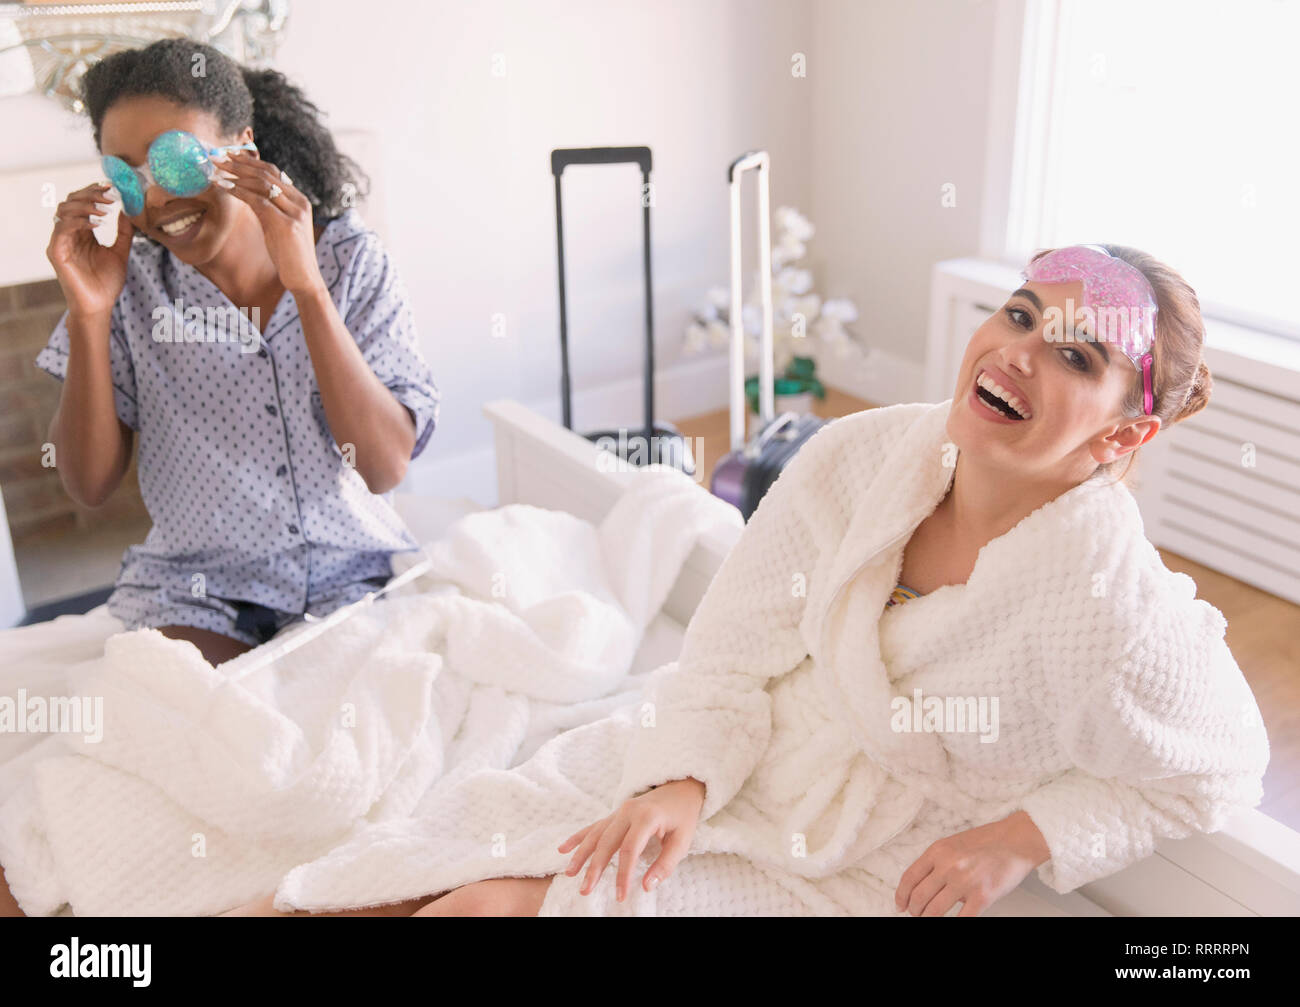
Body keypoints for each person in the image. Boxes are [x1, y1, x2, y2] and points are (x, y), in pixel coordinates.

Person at [228, 244, 1268, 918]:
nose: (1020, 352)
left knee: (492, 909)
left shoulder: (1111, 609)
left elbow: (1217, 766)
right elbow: (724, 653)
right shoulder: (863, 455)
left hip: (853, 851)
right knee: (393, 872)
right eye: (1020, 312)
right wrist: (681, 775)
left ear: (1122, 437)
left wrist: (1016, 839)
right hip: (727, 740)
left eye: (1078, 356)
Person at [37, 39, 439, 669]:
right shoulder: (128, 288)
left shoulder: (350, 262)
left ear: (243, 148)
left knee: (353, 723)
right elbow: (87, 485)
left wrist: (307, 288)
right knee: (200, 717)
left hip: (349, 578)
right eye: (126, 176)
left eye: (175, 160)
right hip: (199, 593)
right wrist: (90, 315)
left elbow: (384, 467)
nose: (158, 200)